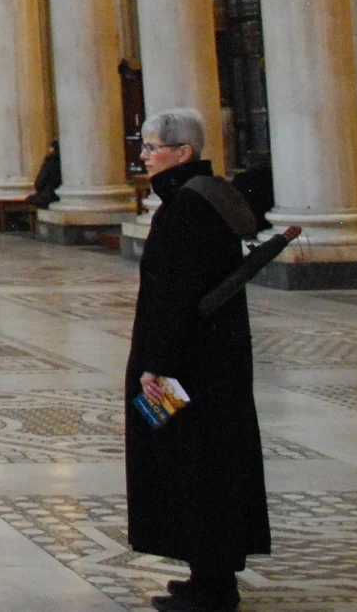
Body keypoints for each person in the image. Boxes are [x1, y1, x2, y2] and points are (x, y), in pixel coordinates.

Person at [126, 108, 270, 612]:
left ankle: (212, 586)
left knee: (194, 466)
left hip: (184, 369)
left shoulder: (186, 208)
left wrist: (154, 366)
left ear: (182, 153)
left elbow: (175, 297)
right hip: (212, 362)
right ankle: (207, 574)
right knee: (202, 464)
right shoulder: (208, 198)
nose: (143, 157)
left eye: (151, 148)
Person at [28, 141, 62, 209]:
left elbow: (39, 181)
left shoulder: (50, 161)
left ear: (52, 149)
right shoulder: (64, 161)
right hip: (60, 194)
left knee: (30, 199)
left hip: (49, 195)